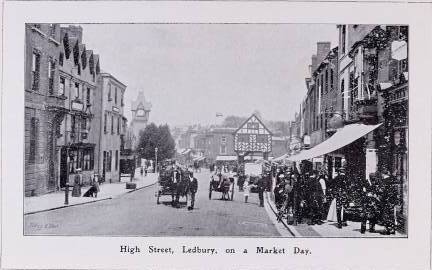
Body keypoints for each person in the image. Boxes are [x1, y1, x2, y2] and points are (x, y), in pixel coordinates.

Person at [379, 170, 398, 235]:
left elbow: (383, 192)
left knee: (386, 215)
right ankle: (392, 229)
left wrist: (381, 198)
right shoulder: (392, 180)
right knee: (391, 215)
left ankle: (386, 230)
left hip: (386, 201)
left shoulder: (384, 181)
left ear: (382, 174)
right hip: (392, 201)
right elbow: (395, 191)